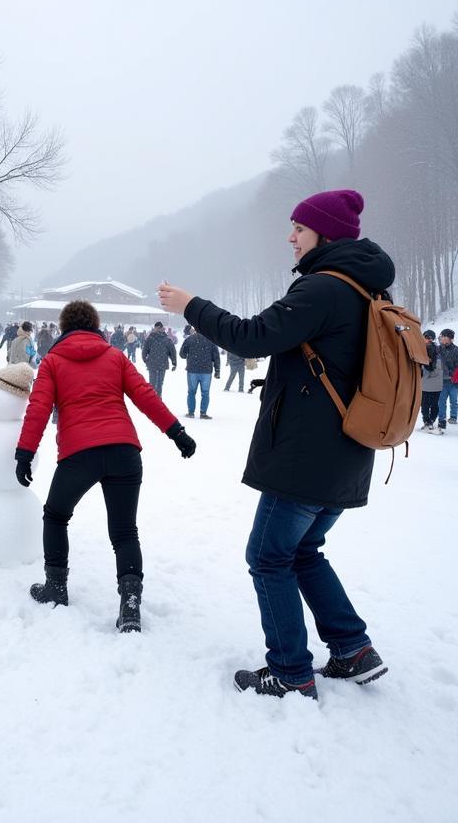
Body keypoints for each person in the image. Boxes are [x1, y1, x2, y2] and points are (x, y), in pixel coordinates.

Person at [159, 188, 391, 699]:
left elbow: (253, 336)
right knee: (304, 550)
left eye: (299, 229)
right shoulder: (368, 289)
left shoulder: (325, 287)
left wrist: (190, 305)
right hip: (347, 453)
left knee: (268, 557)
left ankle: (290, 671)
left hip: (307, 457)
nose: (290, 237)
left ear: (325, 234)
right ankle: (353, 649)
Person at [14, 300, 196, 632]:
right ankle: (130, 605)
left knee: (55, 516)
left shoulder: (53, 361)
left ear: (65, 327)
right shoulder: (114, 356)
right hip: (123, 451)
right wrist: (177, 432)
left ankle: (55, 586)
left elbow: (38, 409)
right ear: (96, 325)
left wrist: (24, 453)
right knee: (125, 531)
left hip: (78, 453)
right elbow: (145, 395)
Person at [179, 325, 221, 419]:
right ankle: (203, 413)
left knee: (191, 392)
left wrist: (187, 354)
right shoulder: (211, 340)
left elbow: (182, 354)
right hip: (206, 371)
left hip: (192, 370)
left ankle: (191, 412)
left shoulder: (190, 339)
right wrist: (217, 370)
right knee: (205, 393)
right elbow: (216, 357)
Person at [434, 329, 458, 431]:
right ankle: (441, 419)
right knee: (441, 401)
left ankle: (453, 417)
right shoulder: (438, 349)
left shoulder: (457, 350)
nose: (441, 338)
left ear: (449, 338)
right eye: (441, 336)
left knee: (454, 400)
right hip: (441, 381)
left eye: (443, 336)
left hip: (453, 381)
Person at [141, 321, 176, 397]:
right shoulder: (151, 339)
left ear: (161, 328)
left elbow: (172, 352)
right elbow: (144, 352)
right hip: (156, 364)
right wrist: (146, 360)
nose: (157, 329)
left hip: (159, 364)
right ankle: (155, 398)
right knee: (154, 383)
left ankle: (156, 398)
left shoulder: (164, 339)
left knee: (158, 384)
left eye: (158, 328)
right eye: (156, 328)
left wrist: (174, 362)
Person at [420, 330, 442, 431]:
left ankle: (428, 422)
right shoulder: (439, 349)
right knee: (433, 403)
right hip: (436, 382)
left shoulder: (423, 349)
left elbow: (428, 367)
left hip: (427, 380)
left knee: (425, 403)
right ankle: (430, 421)